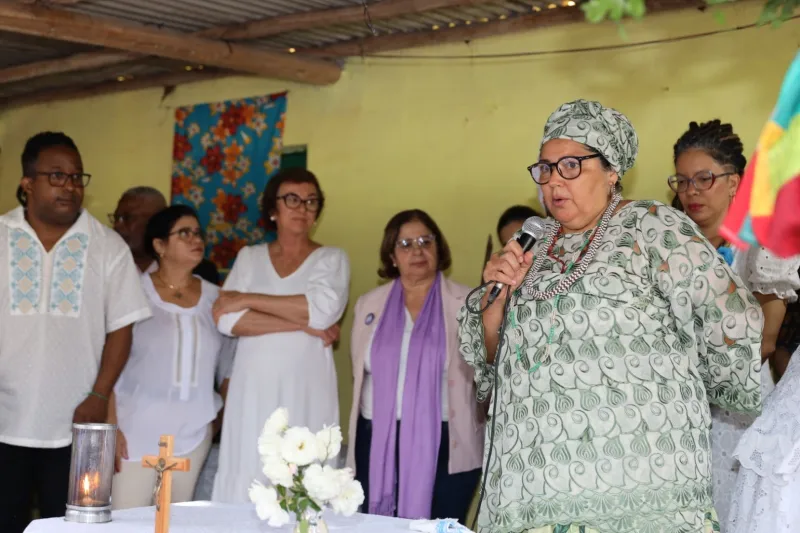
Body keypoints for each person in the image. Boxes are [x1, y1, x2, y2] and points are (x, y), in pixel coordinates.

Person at [459, 100, 763, 533]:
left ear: (612, 170)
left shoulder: (653, 227)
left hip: (639, 487)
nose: (552, 182)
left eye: (570, 166)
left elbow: (728, 316)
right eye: (544, 169)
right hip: (532, 493)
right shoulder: (531, 249)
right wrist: (495, 308)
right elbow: (494, 366)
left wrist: (696, 389)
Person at [0, 132, 151, 532]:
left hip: (78, 425)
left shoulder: (108, 246)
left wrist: (99, 395)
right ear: (27, 183)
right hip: (4, 419)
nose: (70, 185)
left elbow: (122, 327)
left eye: (77, 177)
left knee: (72, 528)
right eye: (56, 175)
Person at [669, 119, 800, 527]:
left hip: (738, 409)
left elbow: (763, 342)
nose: (691, 191)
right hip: (678, 414)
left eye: (704, 178)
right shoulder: (669, 247)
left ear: (734, 182)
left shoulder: (759, 250)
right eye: (682, 180)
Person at [211, 168, 349, 503]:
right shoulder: (249, 257)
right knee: (249, 469)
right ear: (272, 209)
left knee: (304, 476)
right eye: (292, 199)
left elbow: (322, 311)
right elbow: (226, 321)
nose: (302, 207)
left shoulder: (331, 258)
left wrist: (247, 299)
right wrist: (302, 324)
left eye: (311, 201)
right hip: (253, 388)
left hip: (307, 386)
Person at [346, 209, 484, 523]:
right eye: (405, 244)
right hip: (378, 441)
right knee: (377, 526)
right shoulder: (368, 304)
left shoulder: (467, 303)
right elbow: (360, 372)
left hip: (448, 444)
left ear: (439, 248)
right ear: (392, 257)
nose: (417, 250)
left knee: (439, 526)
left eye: (425, 241)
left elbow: (485, 373)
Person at [109, 205, 236, 509]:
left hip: (193, 432)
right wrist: (110, 424)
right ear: (159, 245)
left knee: (177, 520)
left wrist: (215, 419)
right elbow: (107, 359)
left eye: (197, 232)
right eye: (184, 233)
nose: (196, 239)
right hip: (133, 429)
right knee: (127, 521)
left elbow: (230, 362)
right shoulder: (134, 292)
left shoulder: (216, 298)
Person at [110, 186, 220, 284]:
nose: (117, 226)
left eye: (128, 218)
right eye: (116, 218)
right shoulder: (107, 265)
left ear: (157, 221)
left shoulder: (202, 272)